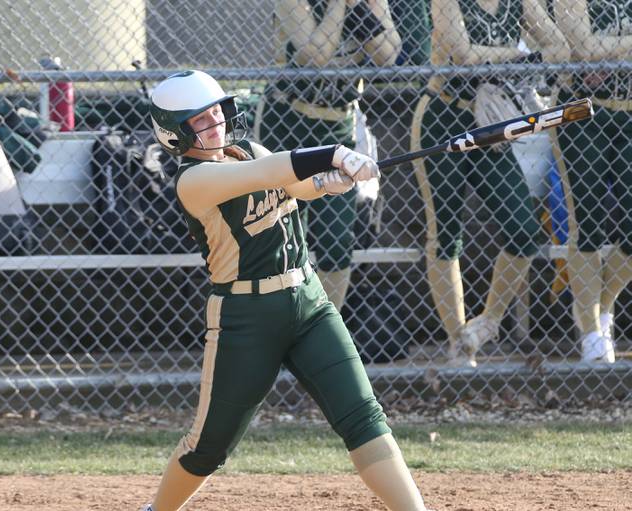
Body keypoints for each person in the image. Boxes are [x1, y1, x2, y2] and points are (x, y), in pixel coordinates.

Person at [101, 70, 461, 511]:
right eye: (199, 121)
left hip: (308, 301)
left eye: (216, 114)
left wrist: (327, 183)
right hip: (244, 317)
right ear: (175, 133)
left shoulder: (247, 149)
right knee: (210, 444)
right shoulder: (195, 180)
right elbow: (268, 176)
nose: (215, 125)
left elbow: (290, 184)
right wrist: (336, 154)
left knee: (361, 412)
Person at [411, 0, 570, 366]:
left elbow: (559, 47)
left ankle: (488, 322)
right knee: (445, 233)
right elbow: (463, 54)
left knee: (524, 232)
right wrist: (519, 55)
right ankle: (459, 344)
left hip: (492, 123)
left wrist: (505, 59)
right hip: (443, 117)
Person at [256, 0, 402, 311]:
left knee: (336, 242)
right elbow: (316, 56)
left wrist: (365, 7)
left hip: (337, 127)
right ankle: (276, 331)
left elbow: (388, 55)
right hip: (287, 124)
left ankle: (323, 327)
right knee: (280, 240)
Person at [550, 0, 632, 363]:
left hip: (628, 109)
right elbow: (585, 49)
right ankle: (591, 333)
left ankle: (602, 305)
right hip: (583, 110)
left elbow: (600, 50)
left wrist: (612, 49)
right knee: (588, 221)